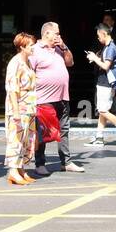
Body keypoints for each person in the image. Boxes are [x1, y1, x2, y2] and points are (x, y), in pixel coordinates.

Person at [31, 21, 84, 175]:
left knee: (64, 130)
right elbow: (28, 71)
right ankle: (40, 163)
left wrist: (64, 46)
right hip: (43, 99)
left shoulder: (59, 49)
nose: (58, 36)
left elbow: (70, 62)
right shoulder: (35, 50)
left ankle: (66, 162)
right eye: (56, 33)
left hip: (62, 97)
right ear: (46, 33)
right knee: (43, 132)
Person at [86, 23, 116, 145]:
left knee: (102, 110)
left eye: (98, 35)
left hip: (106, 83)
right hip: (104, 82)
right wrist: (96, 58)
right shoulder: (107, 48)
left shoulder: (111, 48)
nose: (97, 38)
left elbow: (106, 66)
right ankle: (99, 137)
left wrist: (95, 59)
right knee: (103, 109)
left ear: (104, 33)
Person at [4, 33, 39, 185]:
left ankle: (21, 168)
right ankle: (13, 170)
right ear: (22, 47)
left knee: (27, 139)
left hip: (30, 106)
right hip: (19, 105)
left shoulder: (28, 62)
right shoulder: (15, 63)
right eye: (31, 45)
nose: (33, 48)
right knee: (16, 139)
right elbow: (12, 89)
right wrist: (16, 111)